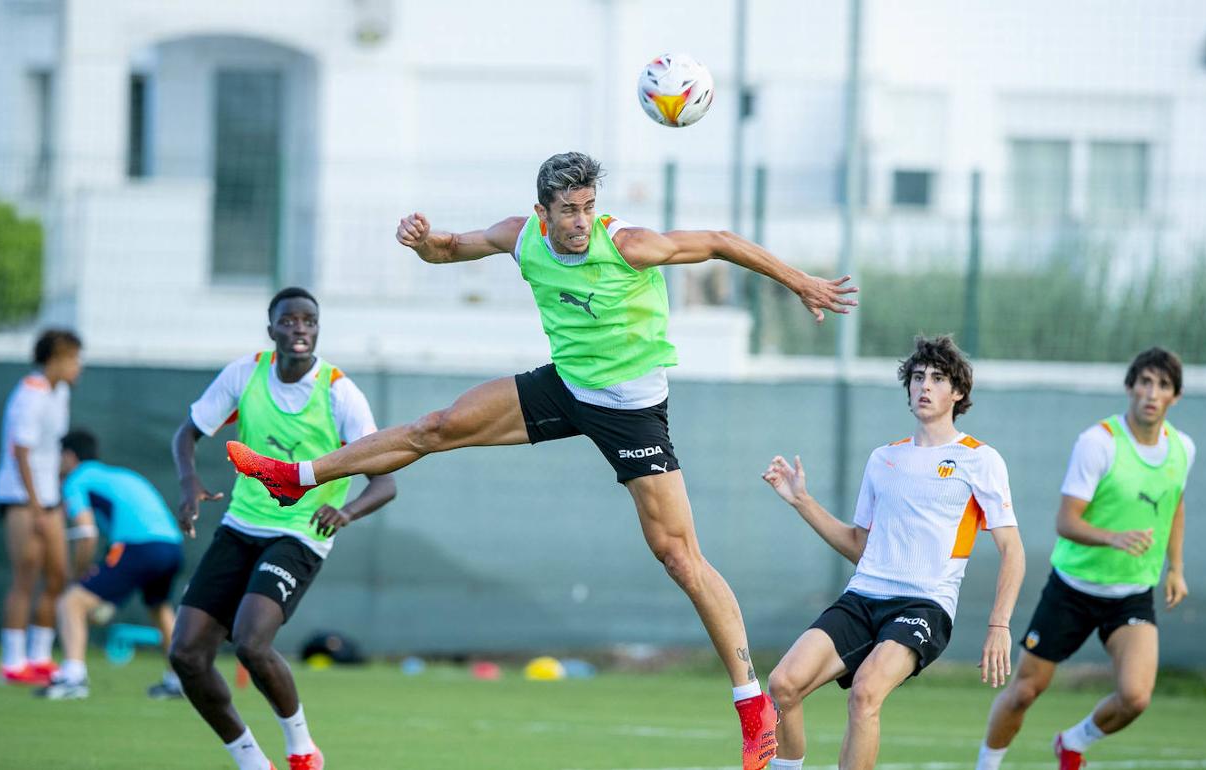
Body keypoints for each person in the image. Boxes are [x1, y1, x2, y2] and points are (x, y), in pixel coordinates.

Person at [226, 151, 857, 770]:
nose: (581, 221)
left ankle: (752, 710)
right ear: (542, 211)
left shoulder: (630, 245)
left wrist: (802, 280)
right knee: (436, 426)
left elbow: (719, 241)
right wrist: (421, 242)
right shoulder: (520, 237)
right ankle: (296, 477)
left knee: (679, 557)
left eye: (588, 207)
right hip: (565, 387)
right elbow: (449, 248)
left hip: (632, 410)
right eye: (569, 210)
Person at [760, 335, 1026, 770]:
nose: (924, 386)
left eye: (938, 379)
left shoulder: (980, 459)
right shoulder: (884, 458)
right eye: (918, 377)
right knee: (783, 684)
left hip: (925, 604)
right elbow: (859, 547)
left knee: (866, 691)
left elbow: (1012, 549)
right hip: (864, 597)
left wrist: (999, 623)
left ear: (958, 393)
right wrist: (801, 501)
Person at [170, 287, 396, 770]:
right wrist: (189, 484)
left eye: (309, 321)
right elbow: (186, 433)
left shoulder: (338, 391)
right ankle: (252, 762)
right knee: (186, 655)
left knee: (252, 643)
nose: (300, 329)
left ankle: (303, 750)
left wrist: (347, 512)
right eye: (289, 321)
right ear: (271, 328)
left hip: (300, 534)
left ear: (317, 329)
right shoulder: (245, 373)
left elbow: (385, 481)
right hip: (240, 525)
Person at [975, 347, 1195, 770]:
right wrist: (1113, 538)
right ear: (1130, 387)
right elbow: (1065, 521)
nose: (1152, 392)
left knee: (1136, 697)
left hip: (1132, 595)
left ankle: (1073, 742)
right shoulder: (1099, 443)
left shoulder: (1182, 448)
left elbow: (1176, 505)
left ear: (1175, 397)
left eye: (1163, 385)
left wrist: (1177, 568)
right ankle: (986, 765)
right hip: (1072, 589)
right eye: (1145, 382)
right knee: (1023, 691)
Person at [35, 429, 185, 700]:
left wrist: (78, 577)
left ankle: (73, 678)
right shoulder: (118, 475)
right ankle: (180, 680)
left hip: (139, 547)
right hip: (171, 546)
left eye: (60, 457)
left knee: (71, 602)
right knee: (159, 608)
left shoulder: (77, 479)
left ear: (69, 457)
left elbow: (85, 533)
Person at [0, 328, 82, 684]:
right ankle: (12, 664)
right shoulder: (29, 394)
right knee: (26, 575)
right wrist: (35, 508)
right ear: (55, 359)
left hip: (48, 498)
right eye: (73, 359)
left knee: (58, 575)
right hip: (20, 498)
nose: (77, 367)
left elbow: (50, 452)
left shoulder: (58, 393)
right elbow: (21, 453)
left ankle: (40, 656)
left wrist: (54, 495)